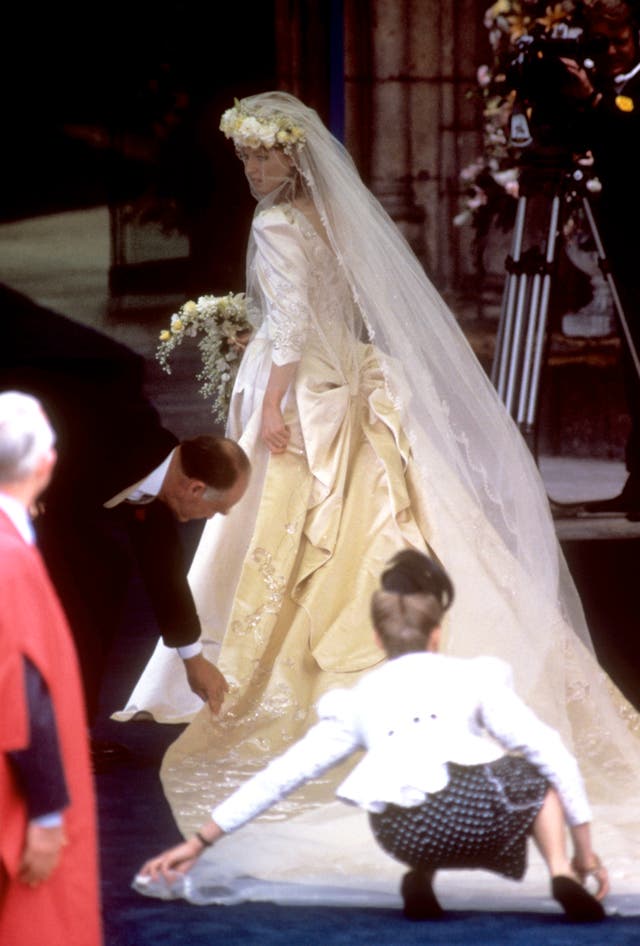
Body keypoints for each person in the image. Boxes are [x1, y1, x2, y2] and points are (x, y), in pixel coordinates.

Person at [123, 92, 640, 910]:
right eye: (248, 159)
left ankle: (258, 682)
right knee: (352, 527)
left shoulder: (278, 226)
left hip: (304, 395)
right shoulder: (325, 218)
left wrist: (271, 404)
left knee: (291, 533)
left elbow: (292, 322)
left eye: (267, 158)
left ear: (295, 160)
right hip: (344, 385)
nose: (257, 171)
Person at [140, 551, 608, 922]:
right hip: (478, 819)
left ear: (379, 641)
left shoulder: (358, 700)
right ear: (438, 635)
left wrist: (200, 841)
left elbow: (283, 775)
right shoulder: (478, 678)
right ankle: (563, 872)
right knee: (532, 769)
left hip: (403, 832)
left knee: (410, 781)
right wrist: (585, 850)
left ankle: (421, 870)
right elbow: (552, 754)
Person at [0, 284, 251, 740]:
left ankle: (68, 732)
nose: (212, 519)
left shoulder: (156, 484)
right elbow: (23, 394)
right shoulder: (106, 429)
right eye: (218, 509)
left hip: (62, 507)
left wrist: (194, 662)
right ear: (195, 487)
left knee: (102, 579)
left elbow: (164, 574)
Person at [0, 391, 102, 946]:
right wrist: (44, 815)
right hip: (14, 796)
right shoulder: (10, 560)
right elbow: (24, 693)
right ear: (46, 465)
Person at [558, 0, 640, 518]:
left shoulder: (622, 93)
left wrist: (592, 103)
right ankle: (637, 474)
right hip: (624, 244)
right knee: (630, 366)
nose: (611, 51)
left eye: (620, 40)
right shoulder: (607, 89)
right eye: (601, 43)